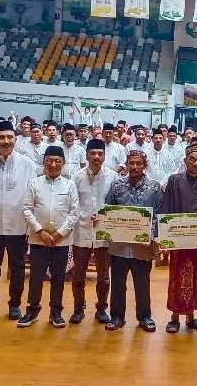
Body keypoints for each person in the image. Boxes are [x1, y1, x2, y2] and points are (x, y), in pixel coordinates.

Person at [0, 121, 37, 320]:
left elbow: (32, 196)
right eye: (1, 137)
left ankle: (14, 305)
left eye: (10, 137)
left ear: (16, 139)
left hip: (18, 226)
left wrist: (31, 225)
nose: (6, 141)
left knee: (17, 267)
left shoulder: (26, 164)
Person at [18, 146, 80, 328]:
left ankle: (56, 312)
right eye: (49, 161)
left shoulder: (69, 185)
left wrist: (60, 234)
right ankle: (32, 310)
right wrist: (40, 231)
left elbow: (74, 213)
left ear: (63, 163)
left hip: (61, 242)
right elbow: (26, 209)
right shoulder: (34, 183)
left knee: (58, 278)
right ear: (44, 163)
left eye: (57, 161)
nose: (53, 165)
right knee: (36, 277)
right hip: (39, 241)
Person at [104, 151, 161, 332]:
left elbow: (158, 215)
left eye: (139, 163)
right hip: (119, 245)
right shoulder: (116, 186)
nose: (135, 167)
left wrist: (151, 237)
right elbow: (108, 210)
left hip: (143, 247)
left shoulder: (155, 187)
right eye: (131, 163)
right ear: (127, 164)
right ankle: (117, 317)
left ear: (145, 165)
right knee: (118, 283)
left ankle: (144, 317)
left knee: (142, 283)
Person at [161, 144, 197, 333]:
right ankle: (175, 316)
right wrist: (165, 237)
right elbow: (167, 207)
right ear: (185, 161)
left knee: (196, 276)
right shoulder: (175, 180)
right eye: (192, 159)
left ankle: (192, 316)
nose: (195, 163)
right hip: (179, 239)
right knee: (178, 276)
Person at [69, 139, 118, 325]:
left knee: (104, 277)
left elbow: (117, 205)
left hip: (104, 232)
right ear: (87, 155)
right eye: (93, 154)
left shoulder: (113, 177)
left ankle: (101, 309)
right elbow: (72, 205)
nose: (96, 157)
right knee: (78, 273)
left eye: (100, 154)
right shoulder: (77, 177)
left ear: (105, 156)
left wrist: (106, 218)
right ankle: (78, 308)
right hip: (81, 231)